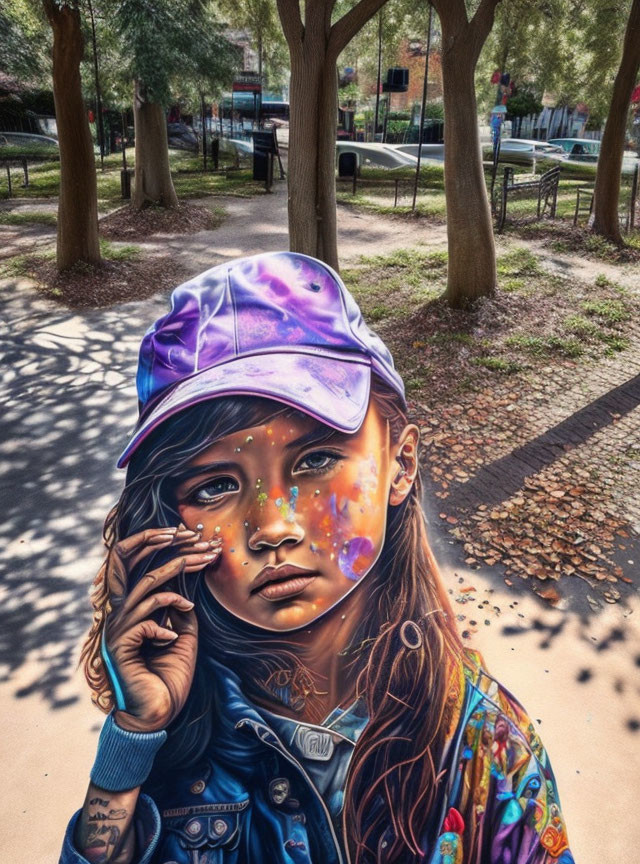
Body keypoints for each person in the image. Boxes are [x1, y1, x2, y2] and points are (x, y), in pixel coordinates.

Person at [59, 252, 574, 864]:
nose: (271, 528)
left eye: (316, 460)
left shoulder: (487, 749)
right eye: (215, 487)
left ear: (400, 464)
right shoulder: (167, 733)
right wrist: (133, 738)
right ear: (171, 519)